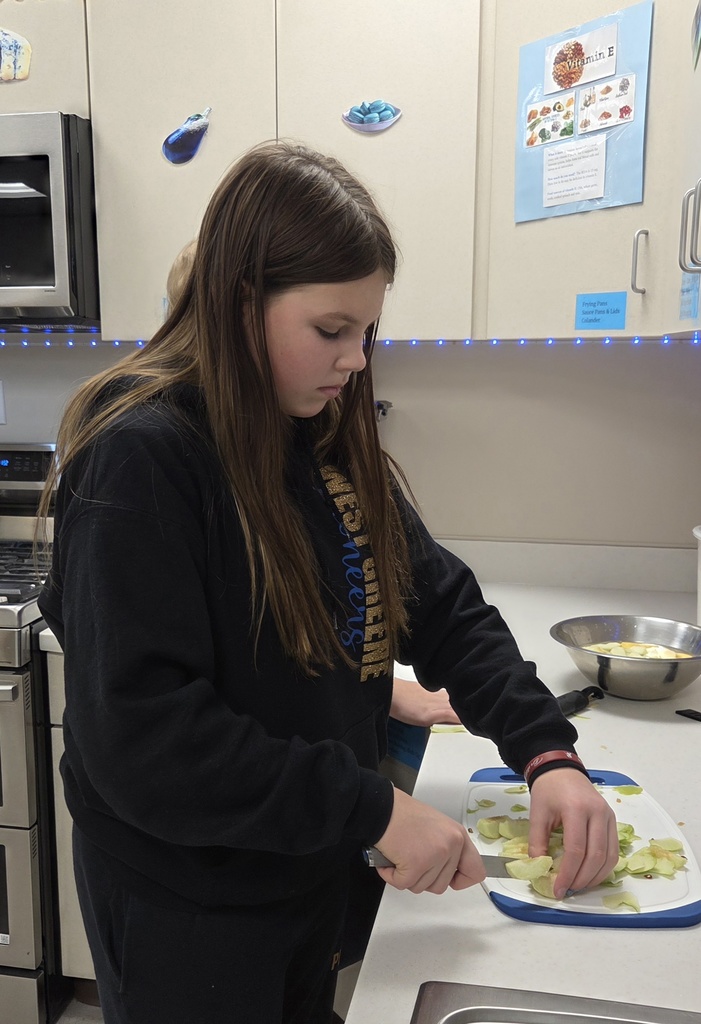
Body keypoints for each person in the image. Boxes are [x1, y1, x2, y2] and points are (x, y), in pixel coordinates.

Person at [38, 140, 618, 1024]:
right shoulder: (140, 460)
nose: (355, 359)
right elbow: (146, 740)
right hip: (188, 906)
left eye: (366, 331)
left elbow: (444, 607)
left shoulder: (314, 431)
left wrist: (546, 753)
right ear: (240, 304)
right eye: (331, 330)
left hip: (302, 864)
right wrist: (367, 805)